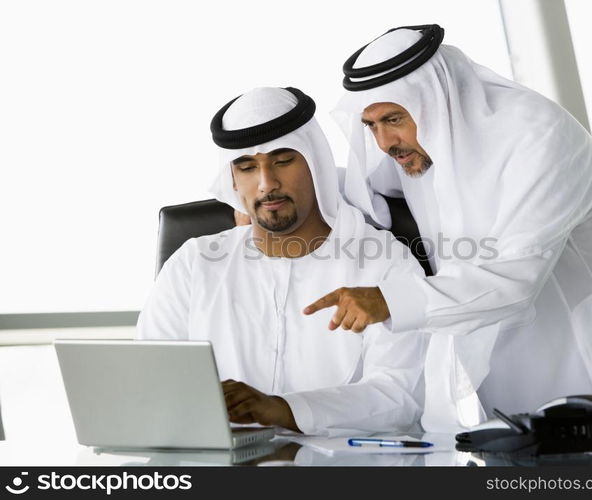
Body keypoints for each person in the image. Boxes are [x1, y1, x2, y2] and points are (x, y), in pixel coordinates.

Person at [304, 25, 592, 457]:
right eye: (371, 125)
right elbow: (365, 189)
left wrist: (390, 300)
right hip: (486, 326)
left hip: (586, 329)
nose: (385, 142)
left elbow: (516, 277)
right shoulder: (415, 142)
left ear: (437, 101)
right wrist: (272, 198)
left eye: (394, 119)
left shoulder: (539, 136)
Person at [137, 86, 427, 436]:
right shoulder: (193, 264)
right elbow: (153, 382)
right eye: (246, 167)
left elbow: (400, 395)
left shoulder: (383, 261)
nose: (266, 184)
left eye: (283, 161)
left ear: (316, 164)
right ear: (233, 181)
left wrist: (282, 409)